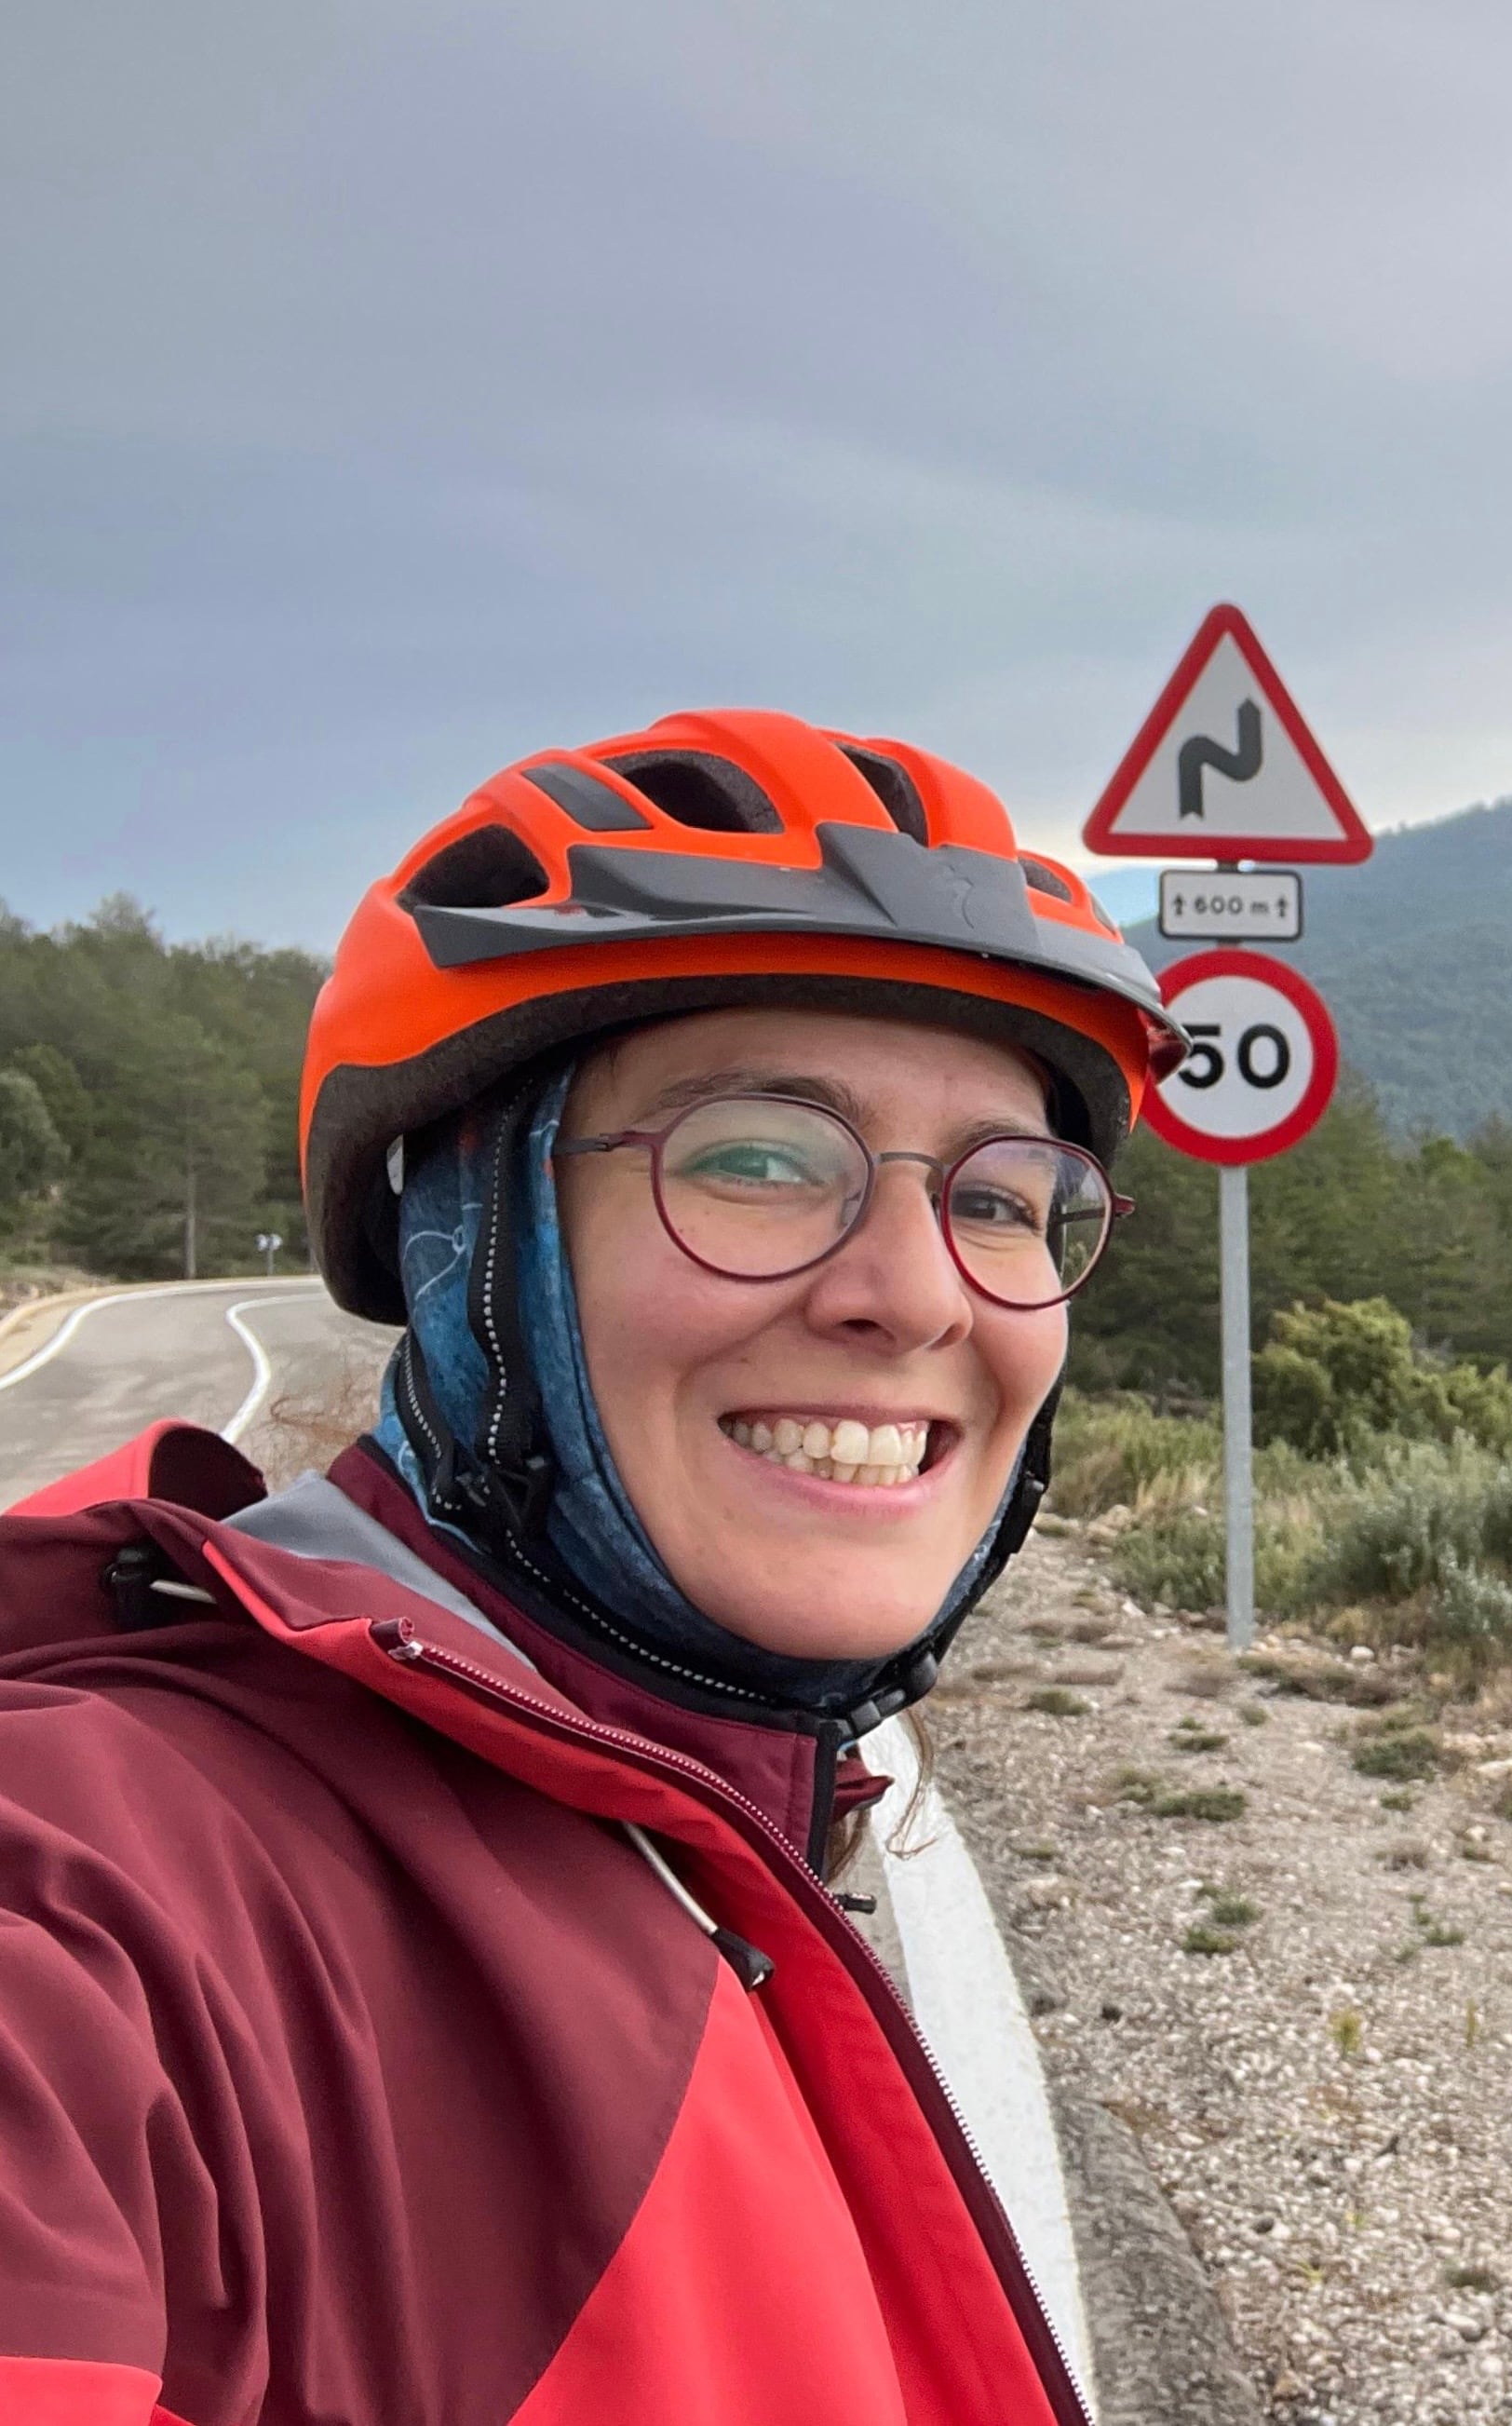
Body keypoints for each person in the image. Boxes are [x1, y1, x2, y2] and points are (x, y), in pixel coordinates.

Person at [0, 711, 1176, 2424]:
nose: (916, 1295)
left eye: (1002, 1198)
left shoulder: (707, 1832)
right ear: (462, 1248)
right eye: (760, 1158)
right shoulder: (103, 1906)